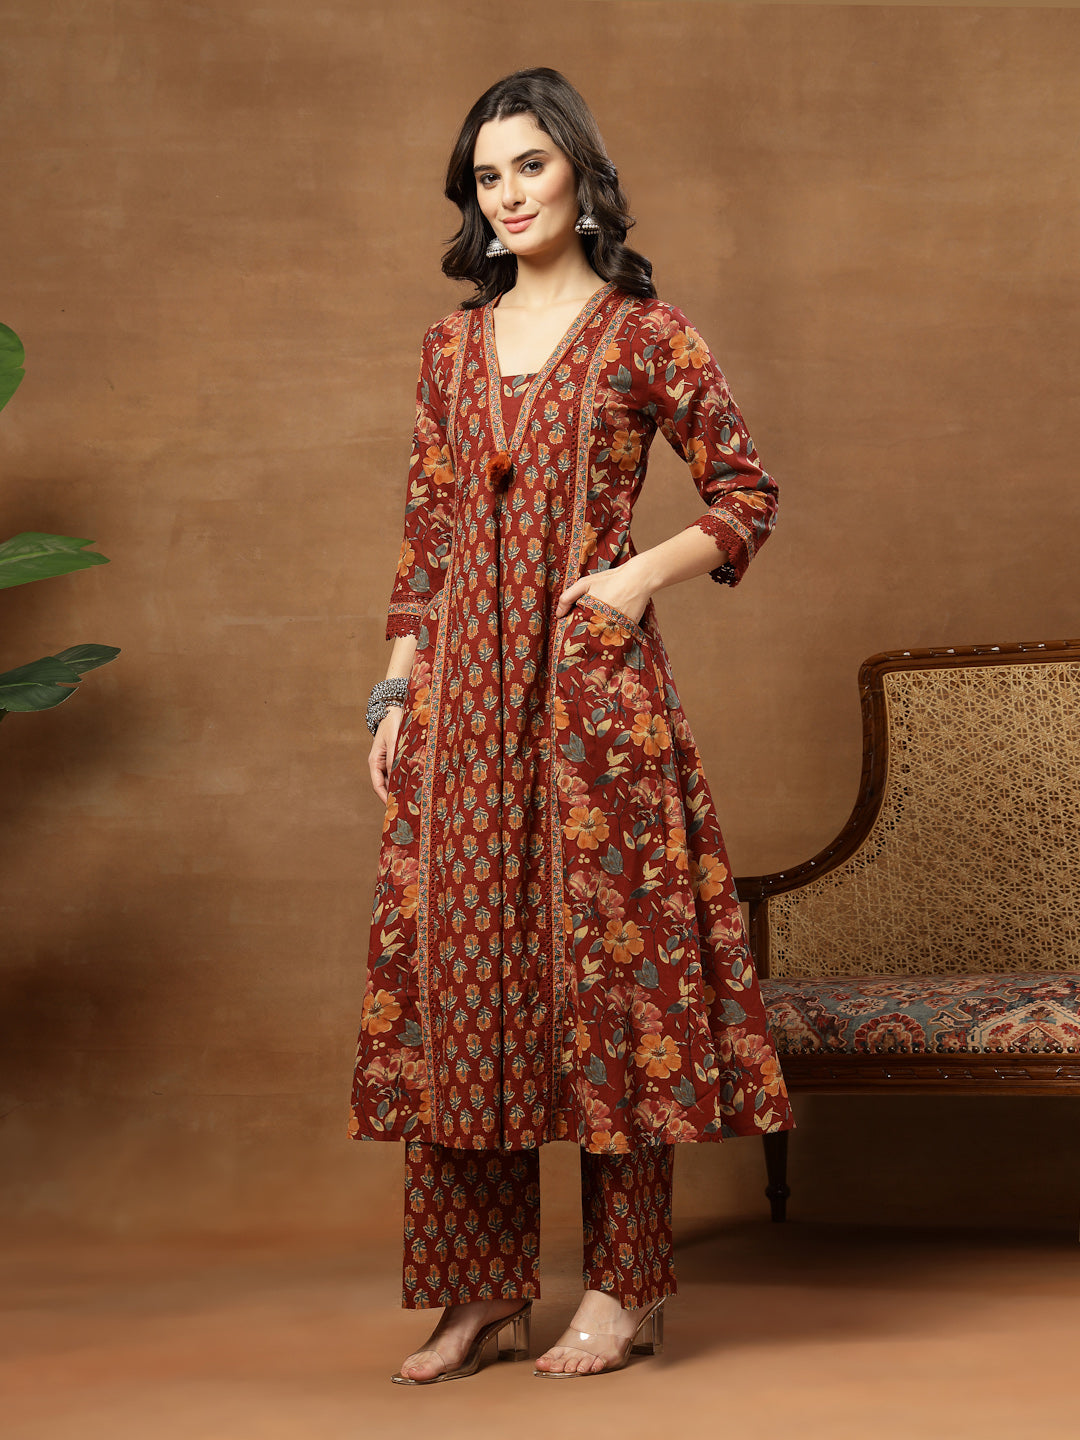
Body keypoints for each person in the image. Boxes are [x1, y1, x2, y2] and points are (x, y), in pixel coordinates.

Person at [350, 66, 795, 1383]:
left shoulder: (648, 334)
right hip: (460, 710)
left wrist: (635, 578)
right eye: (487, 176)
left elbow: (747, 494)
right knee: (467, 980)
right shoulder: (449, 348)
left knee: (611, 985)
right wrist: (395, 689)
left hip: (595, 702)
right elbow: (429, 529)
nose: (509, 194)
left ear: (580, 173)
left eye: (530, 165)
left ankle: (626, 1287)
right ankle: (482, 1295)